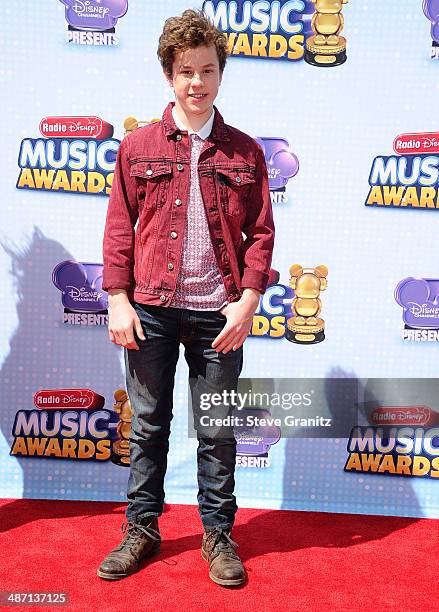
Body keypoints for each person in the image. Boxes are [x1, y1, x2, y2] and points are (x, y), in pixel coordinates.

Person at [97, 8, 275, 586]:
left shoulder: (245, 152)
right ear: (169, 77)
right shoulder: (138, 146)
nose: (196, 82)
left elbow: (262, 234)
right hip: (149, 306)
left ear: (221, 73)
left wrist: (249, 298)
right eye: (184, 71)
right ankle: (142, 529)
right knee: (148, 425)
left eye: (206, 70)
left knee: (217, 429)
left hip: (217, 313)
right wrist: (118, 298)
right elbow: (119, 225)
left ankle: (218, 535)